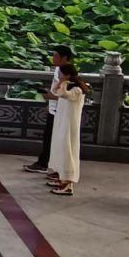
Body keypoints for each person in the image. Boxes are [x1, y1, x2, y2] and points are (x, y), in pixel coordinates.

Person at [25, 45, 75, 176]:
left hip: (62, 111)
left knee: (53, 139)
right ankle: (47, 164)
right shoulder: (59, 69)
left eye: (56, 55)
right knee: (49, 138)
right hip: (55, 109)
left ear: (64, 58)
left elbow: (68, 93)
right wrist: (50, 103)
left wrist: (49, 96)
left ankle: (47, 165)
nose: (53, 58)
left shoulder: (67, 71)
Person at [48, 64, 87, 196]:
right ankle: (61, 178)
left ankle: (68, 184)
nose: (59, 76)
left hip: (70, 125)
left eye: (61, 74)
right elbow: (55, 91)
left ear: (68, 75)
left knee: (68, 151)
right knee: (60, 150)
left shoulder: (77, 90)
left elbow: (64, 94)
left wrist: (63, 82)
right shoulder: (70, 86)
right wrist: (60, 82)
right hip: (62, 123)